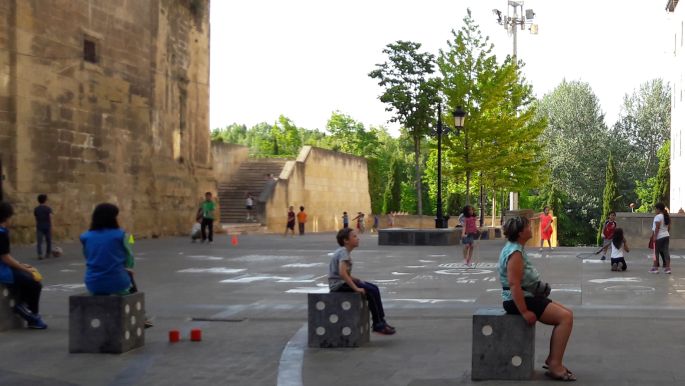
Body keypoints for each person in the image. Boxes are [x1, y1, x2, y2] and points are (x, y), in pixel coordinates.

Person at [499, 216, 575, 381]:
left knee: (567, 313)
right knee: (565, 318)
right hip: (518, 300)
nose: (531, 228)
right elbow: (514, 284)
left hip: (527, 296)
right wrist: (525, 311)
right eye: (527, 226)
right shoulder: (515, 253)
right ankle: (555, 364)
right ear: (520, 233)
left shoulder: (516, 248)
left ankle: (552, 360)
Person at [80, 203, 152, 328]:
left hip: (93, 282)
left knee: (102, 288)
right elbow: (129, 257)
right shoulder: (120, 235)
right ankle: (140, 316)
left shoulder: (85, 236)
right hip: (118, 282)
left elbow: (87, 256)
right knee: (129, 282)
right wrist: (128, 268)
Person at [328, 228, 395, 335]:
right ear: (346, 240)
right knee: (370, 291)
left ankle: (381, 321)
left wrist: (355, 279)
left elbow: (344, 273)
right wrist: (356, 288)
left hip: (342, 282)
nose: (358, 239)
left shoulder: (343, 252)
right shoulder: (343, 252)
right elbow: (342, 273)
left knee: (374, 288)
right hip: (339, 285)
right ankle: (378, 324)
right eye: (354, 236)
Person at [0, 202, 47, 329]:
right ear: (7, 217)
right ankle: (31, 314)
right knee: (34, 283)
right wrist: (24, 268)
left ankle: (23, 306)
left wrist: (19, 264)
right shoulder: (2, 233)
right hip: (2, 270)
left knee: (24, 278)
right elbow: (5, 258)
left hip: (4, 266)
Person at [649, 202, 671, 274]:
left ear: (658, 209)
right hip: (666, 236)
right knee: (666, 252)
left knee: (656, 252)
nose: (655, 210)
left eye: (655, 209)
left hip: (659, 237)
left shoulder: (658, 217)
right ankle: (668, 268)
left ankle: (655, 268)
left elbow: (657, 227)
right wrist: (665, 232)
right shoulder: (666, 216)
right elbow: (669, 227)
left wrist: (655, 237)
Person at [34, 194, 53, 260]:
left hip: (39, 226)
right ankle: (48, 253)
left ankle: (40, 254)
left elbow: (36, 218)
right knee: (48, 240)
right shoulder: (48, 209)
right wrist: (51, 226)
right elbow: (50, 217)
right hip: (47, 226)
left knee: (39, 241)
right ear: (45, 200)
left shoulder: (36, 209)